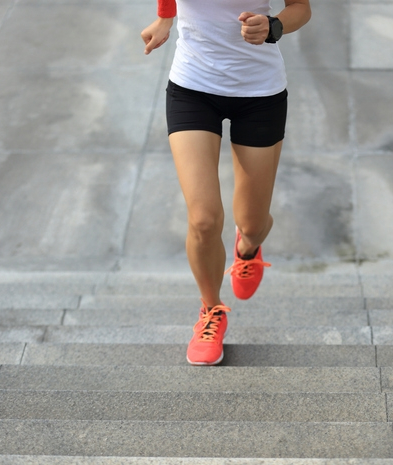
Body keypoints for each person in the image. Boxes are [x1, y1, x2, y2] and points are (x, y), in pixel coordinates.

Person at [140, 0, 311, 366]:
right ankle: (211, 311)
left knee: (251, 222)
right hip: (192, 86)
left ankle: (247, 248)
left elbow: (301, 8)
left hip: (260, 94)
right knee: (203, 219)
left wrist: (273, 27)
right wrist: (165, 17)